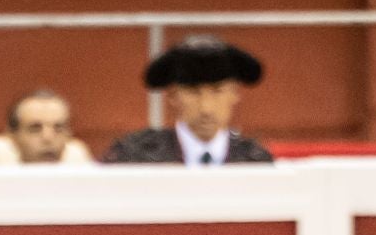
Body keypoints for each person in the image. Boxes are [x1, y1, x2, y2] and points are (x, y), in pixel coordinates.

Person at [103, 36, 273, 166]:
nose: (206, 108)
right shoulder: (133, 157)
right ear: (172, 96)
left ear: (235, 93)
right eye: (193, 92)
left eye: (217, 91)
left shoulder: (255, 160)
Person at [0, 89, 94, 166]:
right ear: (12, 135)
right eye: (35, 128)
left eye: (58, 128)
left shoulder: (81, 168)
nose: (48, 138)